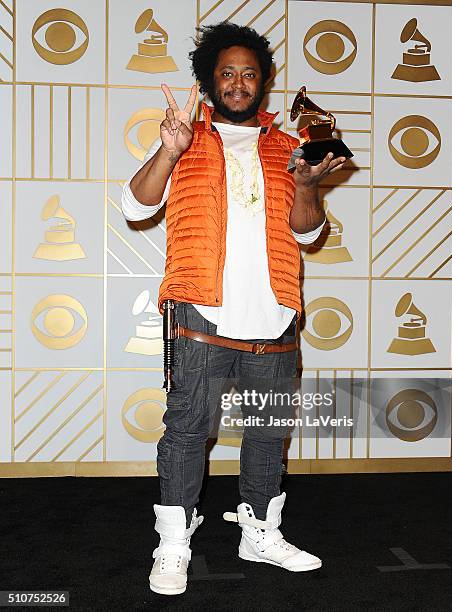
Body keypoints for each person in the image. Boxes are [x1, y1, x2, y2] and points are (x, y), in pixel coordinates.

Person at [122, 21, 346, 596]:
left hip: (274, 313)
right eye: (228, 73)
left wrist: (307, 185)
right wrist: (168, 152)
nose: (239, 83)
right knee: (187, 430)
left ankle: (261, 534)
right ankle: (173, 544)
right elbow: (135, 205)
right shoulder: (186, 139)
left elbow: (309, 231)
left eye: (250, 73)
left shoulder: (287, 149)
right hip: (200, 312)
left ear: (263, 84)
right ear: (209, 82)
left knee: (269, 432)